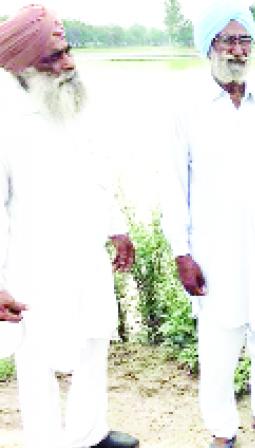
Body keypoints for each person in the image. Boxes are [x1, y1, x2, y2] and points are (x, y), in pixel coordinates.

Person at [160, 4, 255, 447]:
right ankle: (222, 430)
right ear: (210, 47)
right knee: (219, 344)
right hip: (214, 250)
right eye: (229, 40)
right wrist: (181, 253)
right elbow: (172, 186)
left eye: (245, 40)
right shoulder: (185, 108)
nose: (239, 49)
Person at [0, 5, 138, 447]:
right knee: (36, 360)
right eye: (52, 58)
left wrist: (117, 228)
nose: (68, 63)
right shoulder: (7, 122)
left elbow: (98, 172)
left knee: (94, 340)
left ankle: (89, 433)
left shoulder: (73, 103)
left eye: (67, 51)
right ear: (21, 67)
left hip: (86, 255)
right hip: (32, 265)